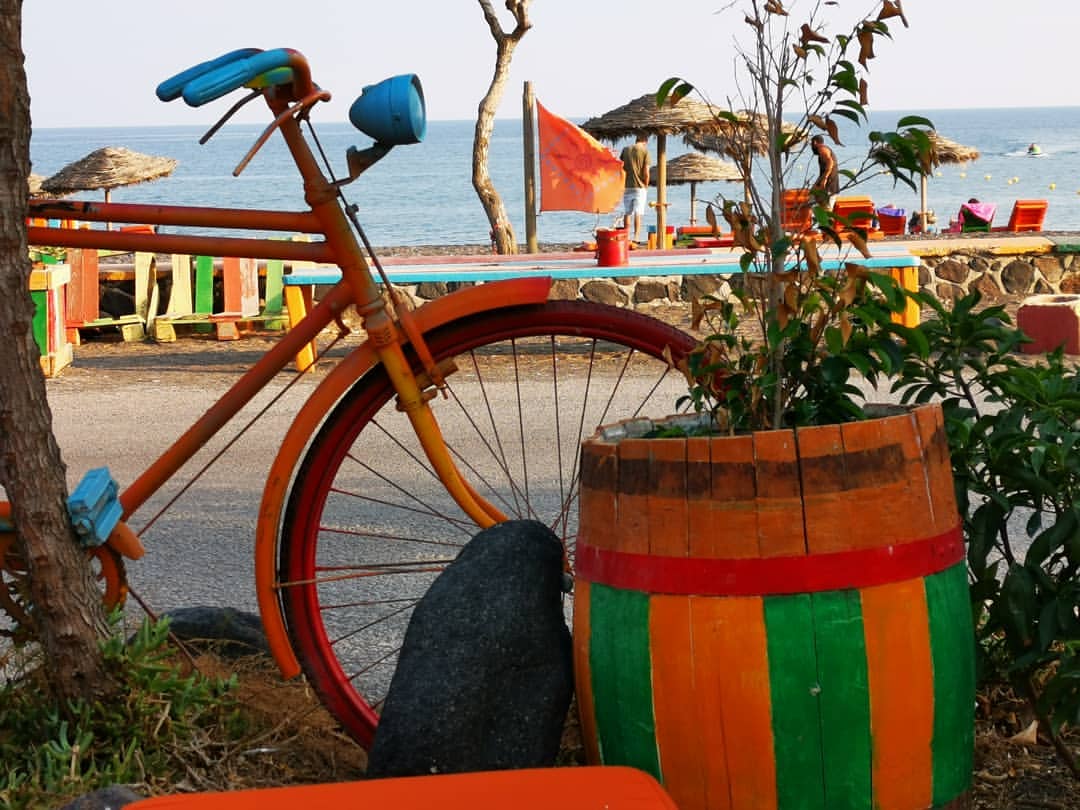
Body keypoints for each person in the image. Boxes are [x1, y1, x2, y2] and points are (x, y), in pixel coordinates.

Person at [619, 134, 650, 244]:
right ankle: (636, 237)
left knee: (628, 212)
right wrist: (646, 185)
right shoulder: (644, 151)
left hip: (627, 186)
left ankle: (625, 236)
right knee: (638, 212)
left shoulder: (625, 150)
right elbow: (646, 172)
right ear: (645, 141)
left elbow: (621, 167)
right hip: (639, 187)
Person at [810, 134, 839, 210]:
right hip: (826, 185)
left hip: (830, 185)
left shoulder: (822, 149)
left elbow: (830, 163)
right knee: (812, 197)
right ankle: (816, 218)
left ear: (815, 142)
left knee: (827, 209)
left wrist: (825, 179)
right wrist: (816, 184)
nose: (811, 147)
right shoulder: (822, 151)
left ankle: (824, 219)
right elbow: (823, 172)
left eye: (811, 144)